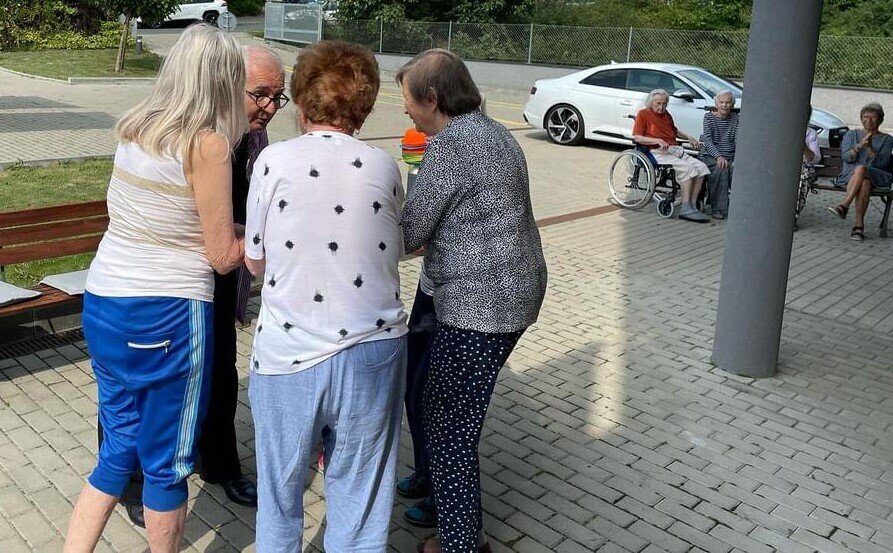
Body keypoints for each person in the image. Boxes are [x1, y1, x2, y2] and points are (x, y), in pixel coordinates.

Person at [64, 24, 246, 553]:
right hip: (167, 312)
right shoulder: (207, 144)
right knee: (167, 462)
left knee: (118, 447)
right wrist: (265, 235)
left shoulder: (135, 127)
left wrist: (230, 231)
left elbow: (168, 217)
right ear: (223, 81)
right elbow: (220, 257)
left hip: (105, 300)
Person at [105, 44, 287, 529]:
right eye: (260, 94)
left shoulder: (253, 137)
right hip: (167, 283)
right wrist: (271, 240)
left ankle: (220, 463)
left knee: (219, 370)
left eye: (278, 97)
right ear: (226, 84)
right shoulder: (193, 136)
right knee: (140, 386)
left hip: (213, 277)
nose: (269, 108)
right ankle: (133, 482)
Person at [245, 40, 408, 552]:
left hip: (289, 352)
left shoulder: (273, 160)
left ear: (301, 98)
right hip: (374, 348)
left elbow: (255, 258)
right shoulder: (384, 165)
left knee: (280, 493)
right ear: (364, 105)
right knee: (361, 498)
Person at [397, 48, 548, 553]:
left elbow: (410, 232)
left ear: (432, 98)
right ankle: (440, 497)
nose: (404, 109)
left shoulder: (452, 146)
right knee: (429, 395)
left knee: (448, 424)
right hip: (502, 293)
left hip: (481, 305)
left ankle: (461, 542)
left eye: (408, 99)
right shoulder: (492, 131)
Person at [633, 89, 711, 222]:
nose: (661, 107)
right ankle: (686, 208)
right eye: (658, 103)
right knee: (688, 169)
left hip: (674, 149)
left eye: (664, 104)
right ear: (651, 102)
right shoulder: (643, 114)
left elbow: (674, 131)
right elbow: (637, 137)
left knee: (702, 168)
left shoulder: (666, 114)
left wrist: (689, 137)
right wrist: (657, 140)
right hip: (657, 151)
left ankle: (692, 205)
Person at [828, 103, 893, 241]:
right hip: (850, 176)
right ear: (861, 118)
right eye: (865, 117)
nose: (868, 120)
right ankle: (859, 226)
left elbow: (882, 164)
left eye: (873, 117)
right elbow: (846, 157)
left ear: (880, 120)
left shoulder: (887, 139)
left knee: (861, 169)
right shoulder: (851, 134)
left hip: (878, 176)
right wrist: (858, 147)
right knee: (864, 183)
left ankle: (844, 204)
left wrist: (869, 148)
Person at [699, 90, 738, 219]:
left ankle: (740, 206)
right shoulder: (709, 118)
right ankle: (719, 209)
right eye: (721, 102)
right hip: (710, 156)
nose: (724, 105)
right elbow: (708, 141)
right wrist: (718, 156)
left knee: (738, 171)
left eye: (728, 102)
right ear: (716, 104)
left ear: (732, 104)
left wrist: (737, 159)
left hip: (730, 156)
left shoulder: (736, 119)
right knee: (721, 170)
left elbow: (738, 140)